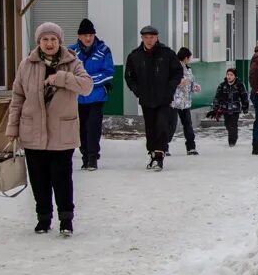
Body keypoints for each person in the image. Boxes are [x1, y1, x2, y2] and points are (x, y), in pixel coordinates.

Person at [5, 22, 92, 235]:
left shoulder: (72, 62)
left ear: (59, 41)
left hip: (62, 132)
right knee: (39, 178)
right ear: (38, 42)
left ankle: (66, 219)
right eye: (45, 39)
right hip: (32, 130)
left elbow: (87, 86)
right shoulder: (26, 65)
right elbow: (18, 97)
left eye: (53, 39)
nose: (49, 43)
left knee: (62, 178)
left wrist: (61, 78)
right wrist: (12, 128)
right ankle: (43, 218)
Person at [123, 25, 184, 170]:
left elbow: (177, 72)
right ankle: (152, 152)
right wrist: (137, 90)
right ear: (142, 38)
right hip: (146, 98)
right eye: (146, 37)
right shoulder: (135, 55)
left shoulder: (167, 53)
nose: (149, 40)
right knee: (150, 128)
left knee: (162, 125)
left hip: (164, 98)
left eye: (152, 37)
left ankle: (159, 155)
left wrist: (170, 89)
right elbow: (129, 76)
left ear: (157, 38)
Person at [68, 18, 114, 171]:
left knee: (93, 127)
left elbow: (108, 73)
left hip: (96, 97)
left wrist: (86, 81)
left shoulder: (104, 50)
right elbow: (66, 73)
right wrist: (78, 83)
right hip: (77, 98)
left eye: (91, 35)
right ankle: (85, 156)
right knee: (81, 129)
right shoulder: (71, 52)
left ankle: (93, 157)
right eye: (85, 35)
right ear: (79, 36)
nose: (88, 38)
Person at [172, 47, 202, 155]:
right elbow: (168, 83)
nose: (190, 60)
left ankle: (191, 147)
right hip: (174, 102)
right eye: (189, 58)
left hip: (186, 103)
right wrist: (178, 82)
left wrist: (196, 87)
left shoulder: (189, 70)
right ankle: (163, 148)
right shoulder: (173, 69)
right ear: (186, 58)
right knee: (171, 125)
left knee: (188, 125)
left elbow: (191, 83)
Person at [212, 67, 250, 146]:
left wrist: (245, 107)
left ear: (235, 76)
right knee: (227, 124)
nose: (229, 76)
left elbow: (244, 96)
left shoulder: (239, 85)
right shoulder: (222, 85)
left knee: (233, 125)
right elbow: (217, 97)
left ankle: (232, 141)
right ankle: (234, 134)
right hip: (225, 108)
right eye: (228, 74)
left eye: (231, 75)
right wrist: (216, 107)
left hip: (235, 109)